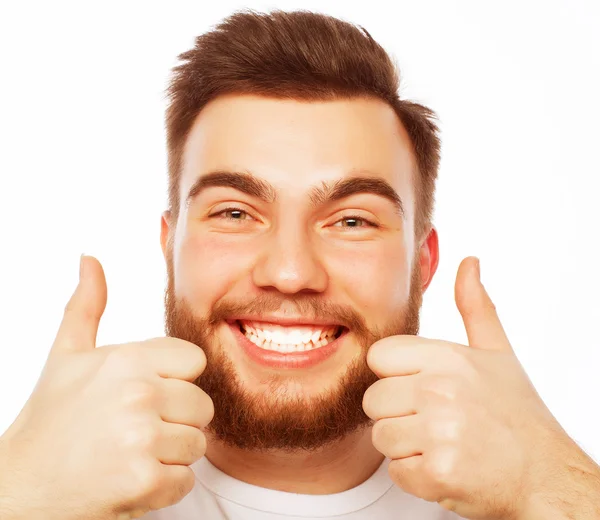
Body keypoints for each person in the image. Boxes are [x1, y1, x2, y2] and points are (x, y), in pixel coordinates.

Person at [1, 8, 599, 520]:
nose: (289, 273)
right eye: (235, 214)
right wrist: (22, 487)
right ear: (170, 246)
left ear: (422, 262)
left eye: (352, 221)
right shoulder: (43, 494)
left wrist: (547, 481)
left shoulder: (533, 497)